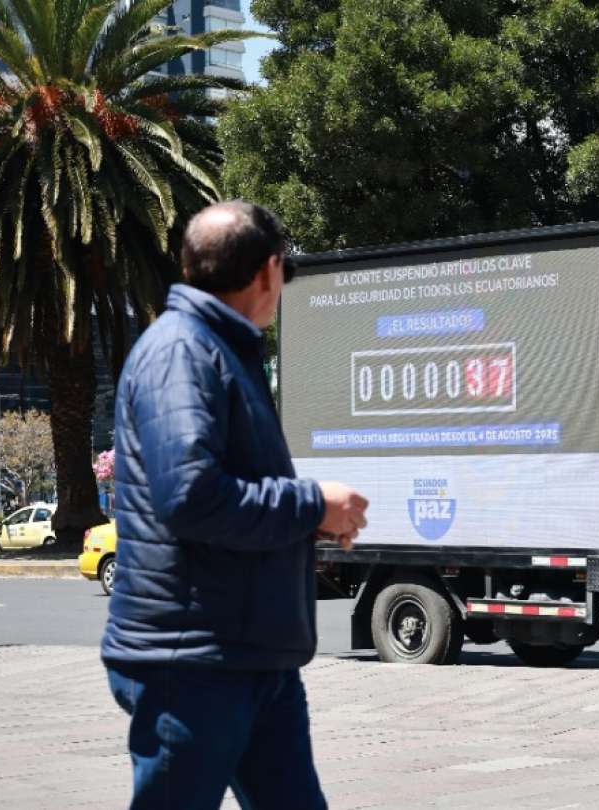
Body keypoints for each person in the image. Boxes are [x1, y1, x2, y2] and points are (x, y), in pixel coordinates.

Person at [101, 200, 369, 810]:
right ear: (269, 270)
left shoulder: (219, 349)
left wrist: (311, 520)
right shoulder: (182, 353)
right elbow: (189, 496)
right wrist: (311, 505)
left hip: (247, 655)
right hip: (193, 660)